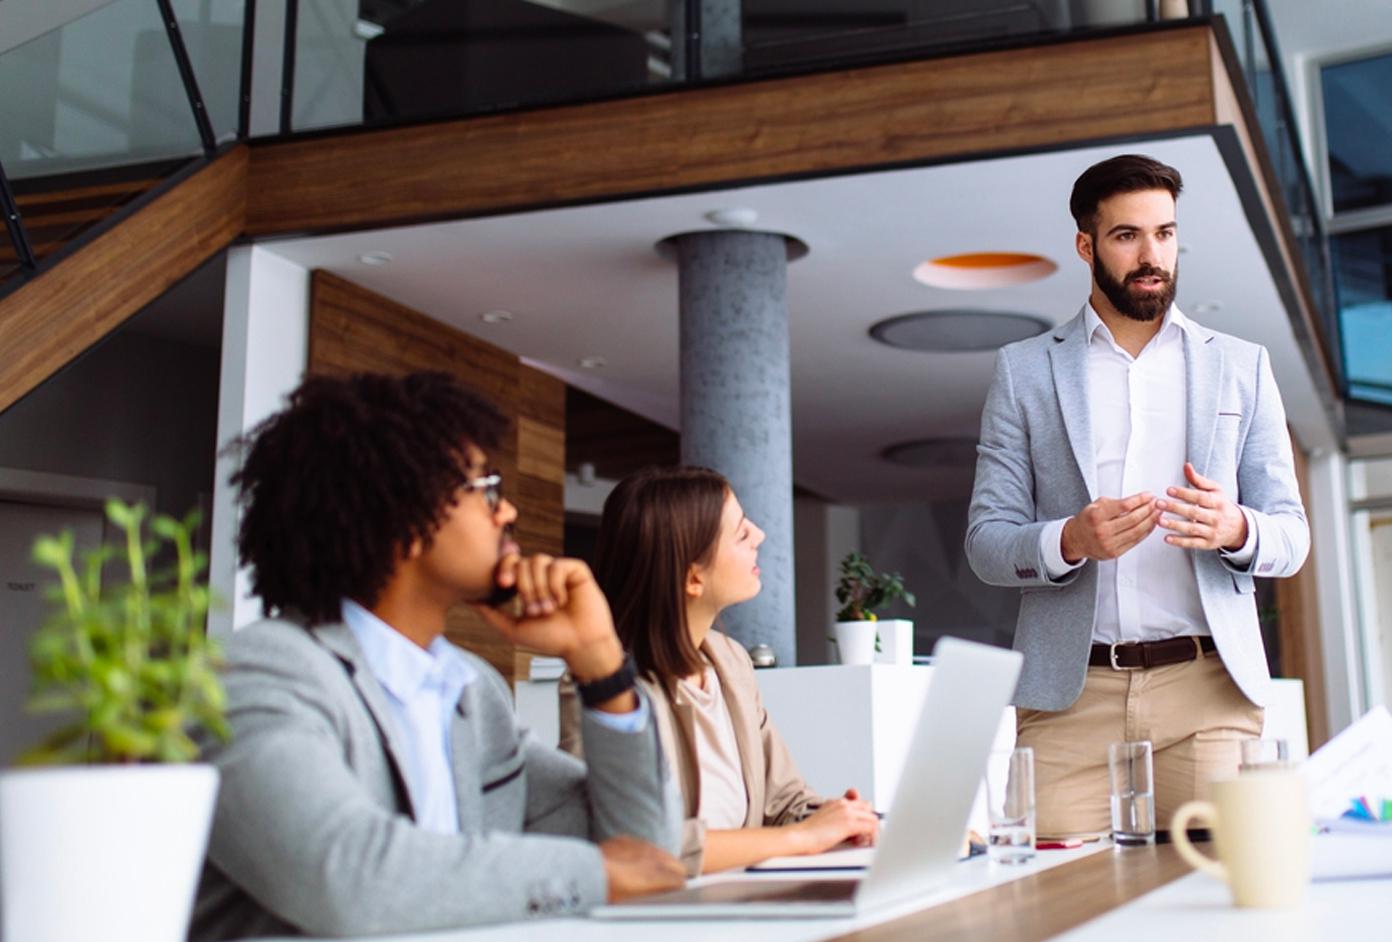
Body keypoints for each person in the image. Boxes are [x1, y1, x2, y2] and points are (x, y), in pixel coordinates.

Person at [191, 373, 685, 940]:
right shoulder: (259, 672)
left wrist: (599, 662)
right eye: (487, 489)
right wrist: (598, 874)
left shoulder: (471, 690)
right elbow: (345, 876)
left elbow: (647, 850)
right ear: (404, 510)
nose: (508, 513)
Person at [965, 153, 1310, 837]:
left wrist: (1236, 528)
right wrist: (1069, 540)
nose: (1152, 255)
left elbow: (1291, 537)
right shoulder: (1024, 371)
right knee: (1051, 907)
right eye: (1128, 236)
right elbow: (985, 543)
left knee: (1221, 901)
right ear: (1086, 246)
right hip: (1070, 699)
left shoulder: (1242, 366)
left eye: (1165, 233)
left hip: (1209, 692)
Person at [594, 466, 880, 875]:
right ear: (694, 577)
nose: (761, 536)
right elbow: (637, 847)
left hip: (740, 899)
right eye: (742, 533)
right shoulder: (604, 690)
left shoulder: (730, 662)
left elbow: (784, 801)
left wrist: (844, 820)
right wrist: (803, 837)